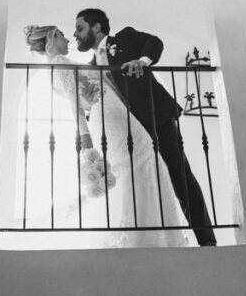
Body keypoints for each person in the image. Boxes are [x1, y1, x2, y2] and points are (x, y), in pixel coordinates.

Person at [23, 24, 190, 248]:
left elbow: (82, 99)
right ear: (52, 38)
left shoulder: (55, 68)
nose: (68, 38)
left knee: (140, 164)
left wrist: (88, 103)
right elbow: (76, 105)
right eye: (62, 35)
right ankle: (147, 237)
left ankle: (145, 233)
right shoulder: (60, 64)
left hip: (113, 116)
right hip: (115, 120)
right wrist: (86, 140)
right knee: (142, 161)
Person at [73, 8, 217, 247]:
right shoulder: (89, 66)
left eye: (80, 28)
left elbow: (154, 43)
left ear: (96, 27)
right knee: (144, 183)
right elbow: (95, 104)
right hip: (128, 134)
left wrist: (142, 61)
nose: (76, 34)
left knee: (180, 177)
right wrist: (87, 106)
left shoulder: (125, 38)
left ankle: (207, 242)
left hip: (155, 117)